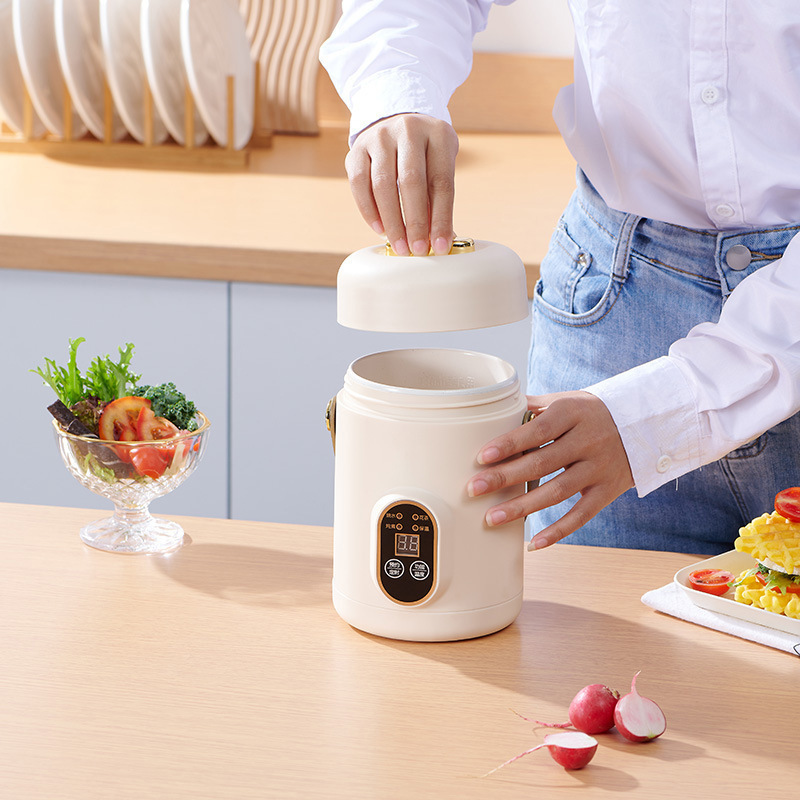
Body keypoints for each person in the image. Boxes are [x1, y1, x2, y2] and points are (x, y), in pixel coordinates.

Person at [319, 1, 800, 554]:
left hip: (642, 383)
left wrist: (649, 419)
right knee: (580, 612)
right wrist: (395, 91)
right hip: (612, 313)